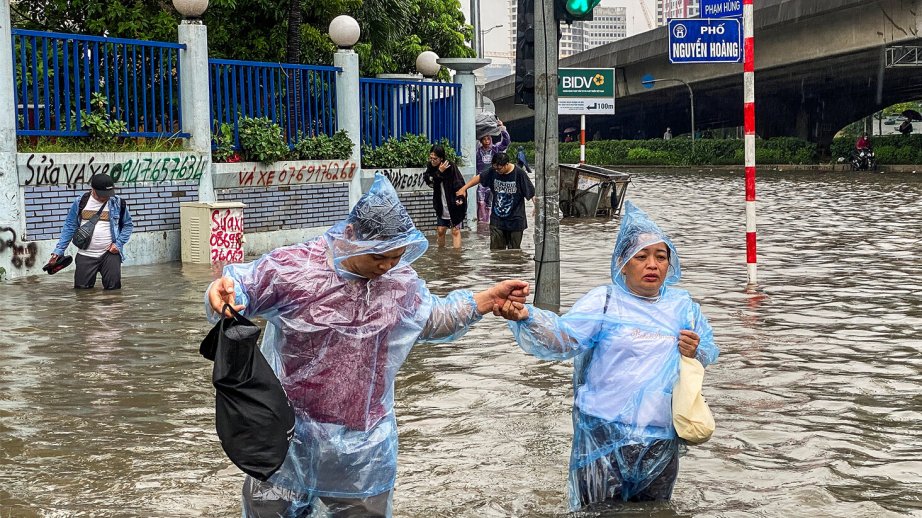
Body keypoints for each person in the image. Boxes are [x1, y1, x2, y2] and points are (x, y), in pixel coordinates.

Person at [204, 174, 529, 517]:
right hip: (286, 436)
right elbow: (240, 288)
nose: (387, 266)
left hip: (363, 445)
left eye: (396, 256)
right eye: (379, 257)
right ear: (350, 236)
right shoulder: (295, 269)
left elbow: (432, 318)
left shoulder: (399, 282)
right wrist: (219, 296)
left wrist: (486, 299)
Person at [495, 201, 719, 510]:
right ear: (623, 263)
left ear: (671, 264)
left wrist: (696, 350)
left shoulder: (683, 307)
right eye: (641, 257)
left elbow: (708, 350)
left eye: (660, 256)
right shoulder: (605, 301)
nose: (652, 265)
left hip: (659, 436)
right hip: (602, 432)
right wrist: (526, 317)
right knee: (596, 512)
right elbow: (562, 339)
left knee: (653, 513)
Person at [48, 172, 133, 290]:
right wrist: (58, 251)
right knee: (82, 294)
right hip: (85, 255)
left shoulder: (118, 203)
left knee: (114, 293)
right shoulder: (80, 202)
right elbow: (69, 226)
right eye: (102, 195)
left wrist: (118, 244)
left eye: (108, 194)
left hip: (110, 254)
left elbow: (128, 225)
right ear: (92, 189)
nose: (105, 198)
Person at [456, 152, 535, 251]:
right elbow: (479, 178)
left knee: (514, 253)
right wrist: (463, 189)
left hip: (516, 220)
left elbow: (531, 192)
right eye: (495, 168)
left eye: (499, 168)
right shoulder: (493, 171)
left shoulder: (519, 173)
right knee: (496, 252)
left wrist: (536, 206)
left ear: (506, 164)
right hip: (497, 220)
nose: (497, 171)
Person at [423, 145, 467, 248]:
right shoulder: (430, 167)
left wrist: (460, 198)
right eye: (431, 158)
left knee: (455, 231)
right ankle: (441, 253)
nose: (433, 161)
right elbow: (430, 181)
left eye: (435, 159)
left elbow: (459, 183)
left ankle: (457, 256)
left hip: (453, 203)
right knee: (440, 230)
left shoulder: (450, 166)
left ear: (441, 158)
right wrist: (439, 172)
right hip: (441, 203)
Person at [475, 118, 510, 224]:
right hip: (481, 181)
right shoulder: (477, 152)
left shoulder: (495, 149)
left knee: (491, 204)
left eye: (488, 139)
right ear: (481, 141)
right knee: (480, 202)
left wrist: (502, 128)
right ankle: (481, 223)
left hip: (493, 181)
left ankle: (489, 223)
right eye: (484, 139)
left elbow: (506, 142)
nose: (487, 141)